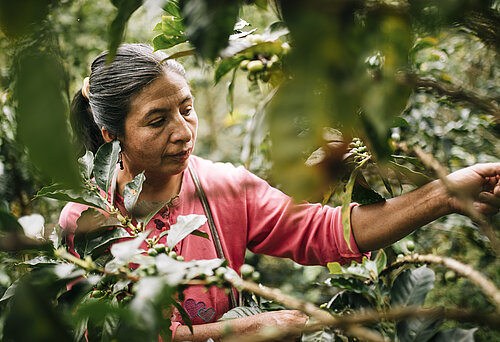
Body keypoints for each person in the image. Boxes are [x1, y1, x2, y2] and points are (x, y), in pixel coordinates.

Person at [59, 44, 500, 341]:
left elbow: (326, 232)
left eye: (187, 109)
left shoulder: (223, 186)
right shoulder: (86, 220)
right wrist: (249, 330)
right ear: (111, 135)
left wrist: (444, 196)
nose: (182, 132)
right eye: (157, 121)